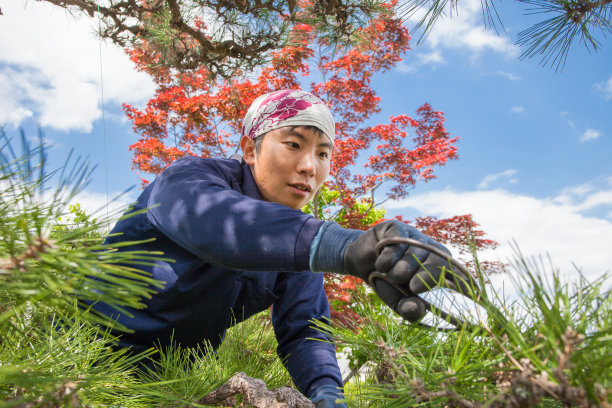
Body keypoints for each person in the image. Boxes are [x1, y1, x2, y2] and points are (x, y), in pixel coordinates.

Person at [91, 89, 454, 408]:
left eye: (324, 154)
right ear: (250, 149)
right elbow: (226, 228)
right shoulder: (187, 180)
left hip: (174, 385)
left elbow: (305, 329)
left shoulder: (298, 248)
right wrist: (348, 246)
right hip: (81, 358)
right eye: (294, 145)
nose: (310, 167)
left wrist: (327, 394)